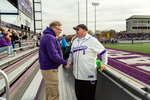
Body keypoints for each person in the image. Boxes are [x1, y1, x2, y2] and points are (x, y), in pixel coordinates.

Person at [67, 24, 108, 100]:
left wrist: (104, 64)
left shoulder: (92, 40)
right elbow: (71, 53)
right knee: (79, 97)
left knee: (88, 98)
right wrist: (69, 61)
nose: (76, 31)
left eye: (77, 29)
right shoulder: (75, 41)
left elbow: (104, 52)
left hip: (89, 77)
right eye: (75, 30)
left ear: (84, 30)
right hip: (77, 76)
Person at [39, 21, 71, 100]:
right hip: (50, 68)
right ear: (53, 28)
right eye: (59, 30)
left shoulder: (47, 36)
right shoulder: (50, 37)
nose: (60, 32)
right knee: (54, 94)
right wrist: (65, 62)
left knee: (50, 91)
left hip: (48, 67)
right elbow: (53, 55)